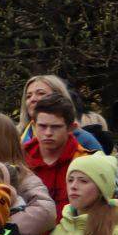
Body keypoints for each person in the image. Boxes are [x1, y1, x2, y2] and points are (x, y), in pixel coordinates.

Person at [25, 93, 87, 223]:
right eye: (42, 126)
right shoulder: (19, 159)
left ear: (71, 128)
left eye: (56, 127)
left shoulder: (84, 162)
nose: (48, 133)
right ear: (34, 125)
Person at [19, 74, 103, 152]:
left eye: (41, 93)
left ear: (59, 97)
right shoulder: (16, 136)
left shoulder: (83, 139)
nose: (32, 99)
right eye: (28, 96)